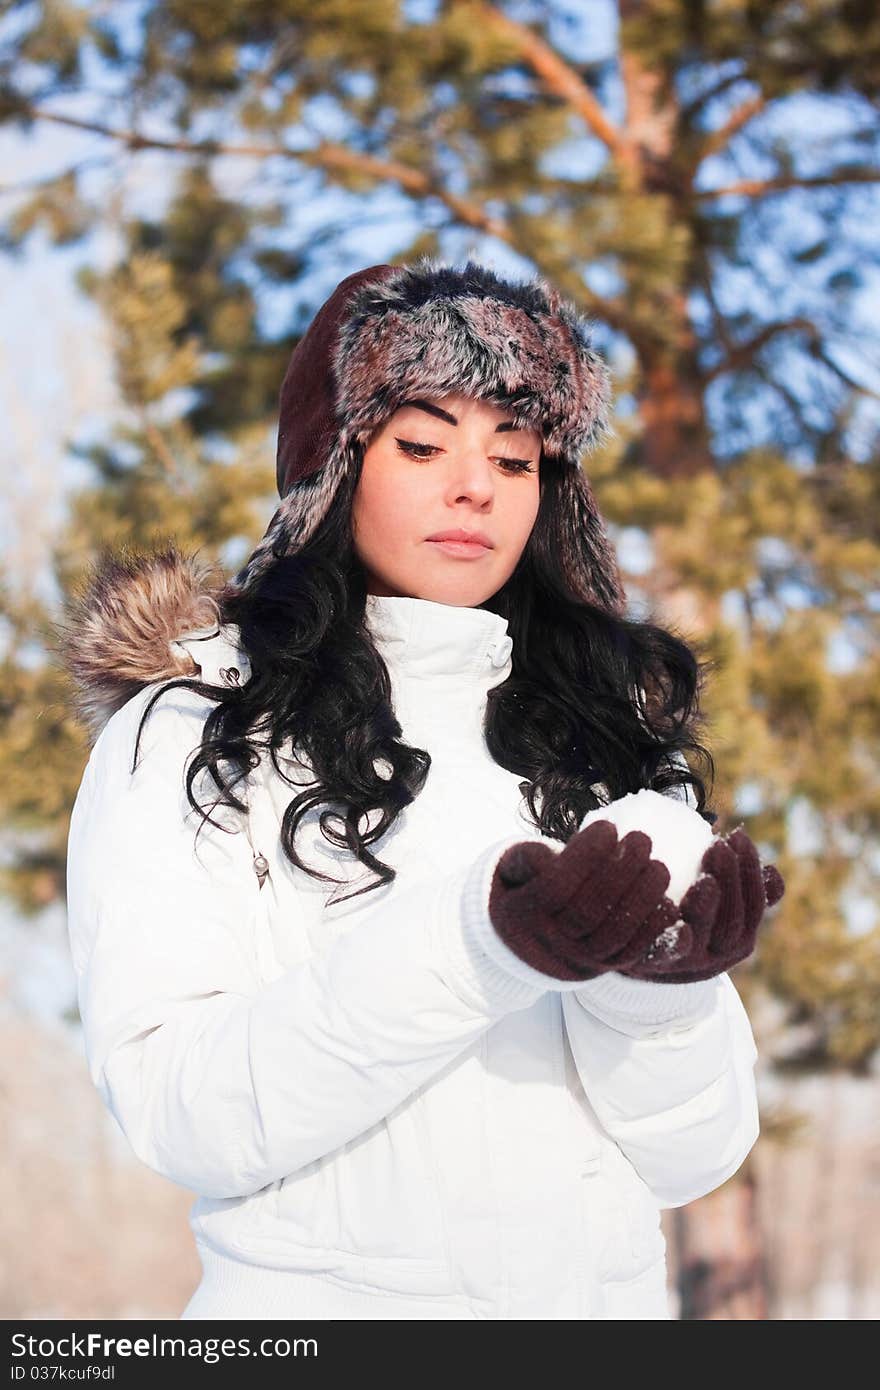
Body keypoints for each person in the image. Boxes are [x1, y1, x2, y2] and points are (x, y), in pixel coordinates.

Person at [59, 257, 784, 1321]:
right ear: (333, 466)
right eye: (423, 443)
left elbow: (689, 1161)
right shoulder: (195, 731)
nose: (475, 486)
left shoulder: (606, 748)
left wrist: (655, 994)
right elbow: (182, 1112)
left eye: (515, 454)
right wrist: (479, 950)